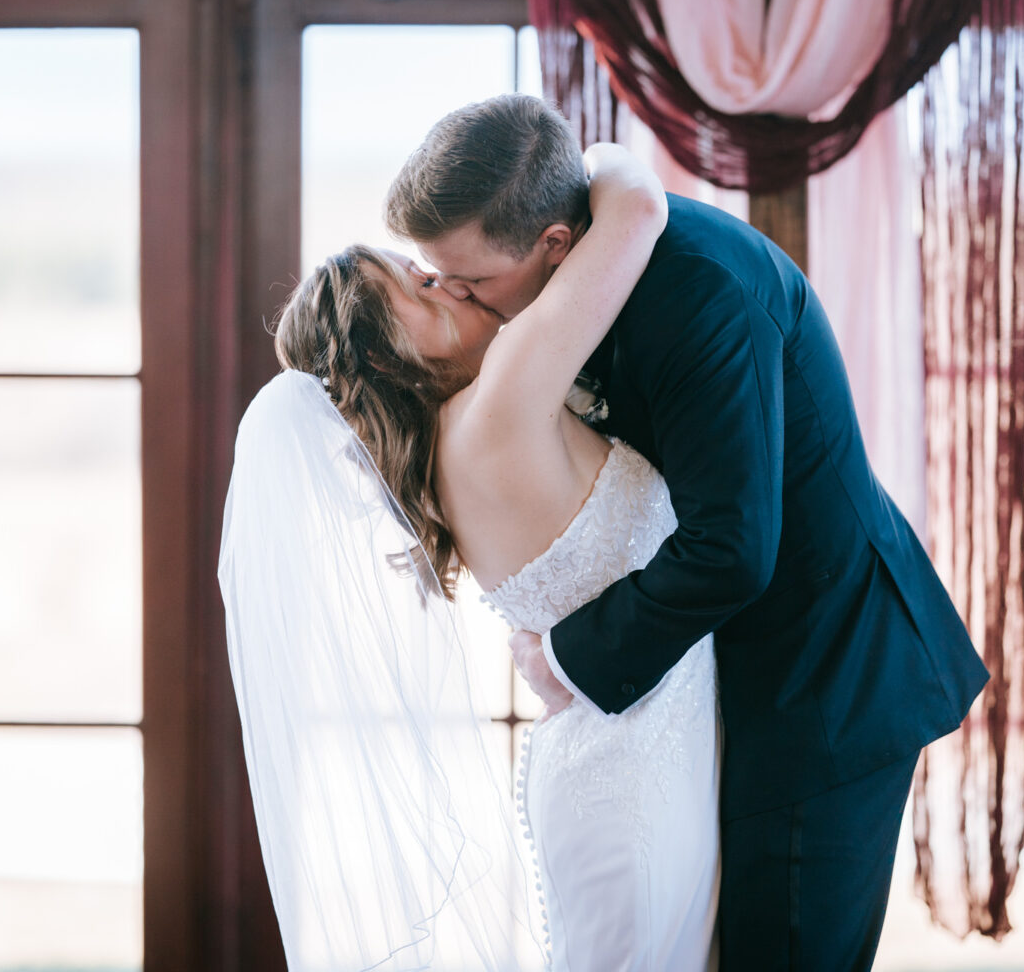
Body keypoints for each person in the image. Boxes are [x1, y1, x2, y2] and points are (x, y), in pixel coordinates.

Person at [384, 93, 992, 972]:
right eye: (434, 277)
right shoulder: (595, 260)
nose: (457, 297)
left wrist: (564, 657)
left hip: (821, 681)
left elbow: (734, 545)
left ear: (555, 244)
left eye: (472, 282)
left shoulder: (698, 295)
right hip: (729, 685)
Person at [227, 139, 719, 971]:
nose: (447, 282)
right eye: (419, 286)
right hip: (634, 790)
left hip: (630, 765)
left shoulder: (446, 451)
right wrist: (592, 154)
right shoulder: (499, 405)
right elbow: (638, 209)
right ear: (391, 352)